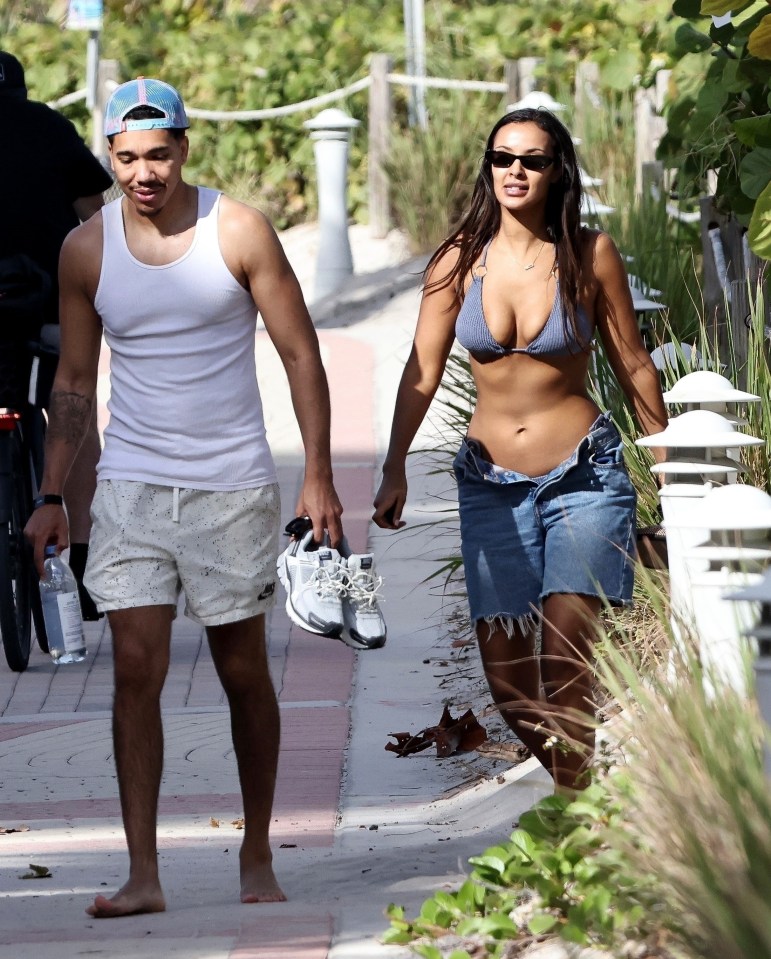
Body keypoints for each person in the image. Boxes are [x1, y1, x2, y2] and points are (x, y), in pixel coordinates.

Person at [24, 76, 344, 916]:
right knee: (134, 667)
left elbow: (301, 355)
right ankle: (143, 872)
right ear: (111, 158)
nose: (142, 172)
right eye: (125, 158)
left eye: (157, 154)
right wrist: (52, 491)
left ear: (184, 148)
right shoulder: (86, 250)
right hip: (130, 485)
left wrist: (317, 475)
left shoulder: (236, 230)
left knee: (242, 670)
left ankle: (256, 846)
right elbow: (74, 380)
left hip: (231, 486)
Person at [373, 108, 667, 792]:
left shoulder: (590, 254)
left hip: (584, 479)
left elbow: (633, 365)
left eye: (532, 160)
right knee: (509, 684)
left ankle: (580, 822)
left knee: (566, 661)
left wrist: (668, 473)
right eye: (502, 158)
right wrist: (392, 466)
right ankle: (585, 794)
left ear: (556, 169)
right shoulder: (456, 260)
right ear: (487, 167)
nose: (515, 171)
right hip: (490, 486)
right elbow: (420, 371)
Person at [0, 50, 113, 619]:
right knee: (71, 409)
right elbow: (95, 214)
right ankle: (89, 562)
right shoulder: (47, 124)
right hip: (51, 303)